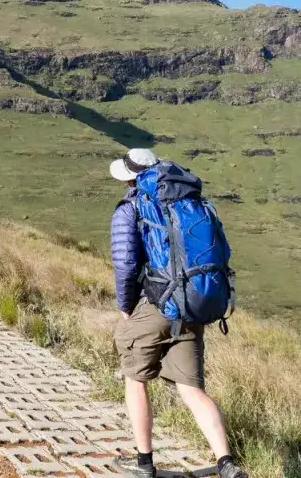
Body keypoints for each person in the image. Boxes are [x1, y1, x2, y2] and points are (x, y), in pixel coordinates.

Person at [109, 148, 247, 478]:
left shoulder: (132, 207)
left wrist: (126, 307)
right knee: (192, 389)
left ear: (130, 178)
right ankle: (226, 463)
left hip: (155, 304)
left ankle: (144, 464)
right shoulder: (190, 202)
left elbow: (126, 264)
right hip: (190, 304)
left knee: (135, 379)